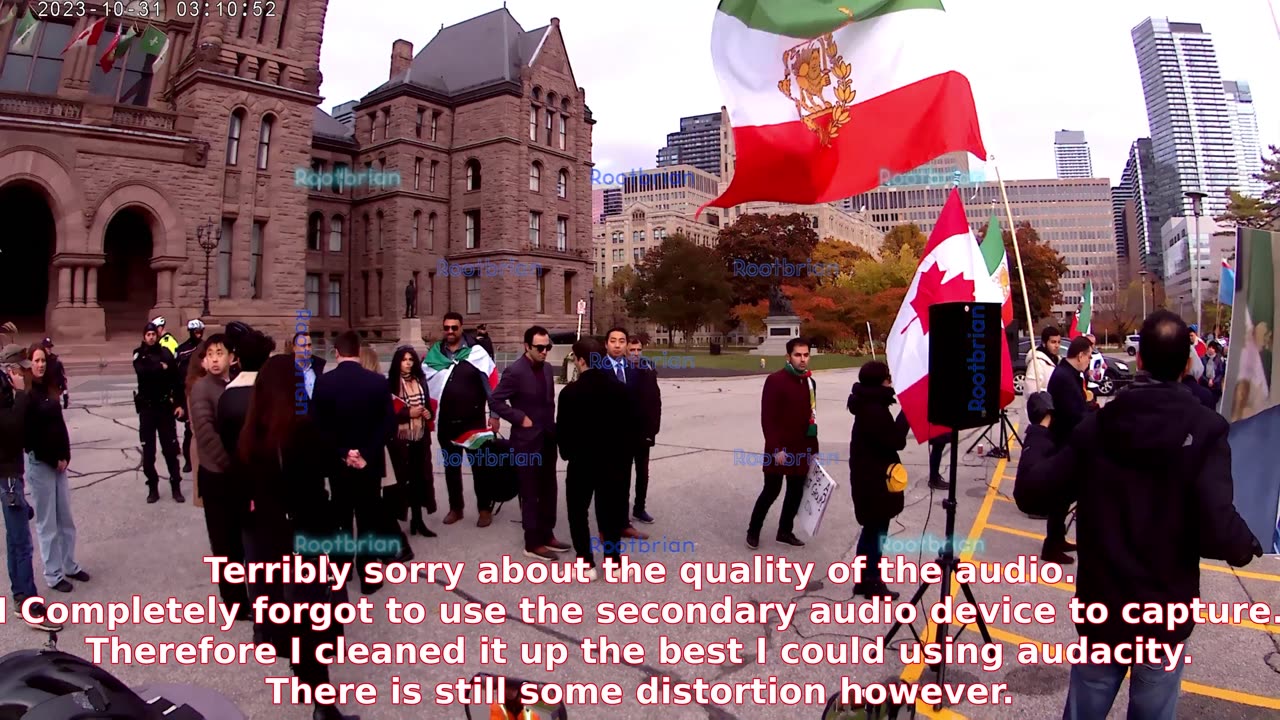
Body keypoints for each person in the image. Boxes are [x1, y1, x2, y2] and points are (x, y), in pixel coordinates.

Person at [1015, 310, 1263, 720]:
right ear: (1187, 364)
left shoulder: (1098, 426)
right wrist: (1246, 543)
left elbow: (1033, 492)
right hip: (1164, 613)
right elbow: (1218, 527)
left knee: (1085, 709)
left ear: (1140, 361)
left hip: (1104, 610)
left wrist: (1040, 430)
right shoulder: (1206, 430)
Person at [237, 354, 361, 720]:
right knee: (312, 623)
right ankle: (323, 707)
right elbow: (320, 493)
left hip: (270, 543)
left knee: (294, 622)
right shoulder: (302, 432)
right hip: (305, 540)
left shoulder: (251, 433)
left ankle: (313, 689)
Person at [311, 331, 396, 594]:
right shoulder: (377, 382)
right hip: (368, 463)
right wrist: (366, 454)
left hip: (339, 464)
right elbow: (388, 424)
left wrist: (343, 452)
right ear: (358, 351)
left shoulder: (325, 382)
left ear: (336, 352)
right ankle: (369, 576)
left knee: (341, 516)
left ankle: (341, 569)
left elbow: (318, 427)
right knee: (368, 516)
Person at [491, 326, 566, 561]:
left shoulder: (545, 369)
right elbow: (495, 400)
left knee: (549, 489)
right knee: (530, 492)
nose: (545, 351)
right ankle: (532, 542)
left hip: (546, 439)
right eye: (540, 347)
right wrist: (518, 417)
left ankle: (547, 533)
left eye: (548, 347)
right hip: (525, 443)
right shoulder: (515, 371)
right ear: (527, 346)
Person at [557, 337, 630, 579]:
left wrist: (566, 454)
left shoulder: (569, 393)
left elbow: (563, 431)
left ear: (580, 360)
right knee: (609, 512)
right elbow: (628, 428)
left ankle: (586, 563)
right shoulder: (619, 389)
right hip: (612, 462)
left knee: (578, 513)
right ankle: (614, 563)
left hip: (581, 462)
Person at [0, 344, 62, 630]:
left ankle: (19, 595)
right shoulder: (6, 393)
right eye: (23, 367)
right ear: (12, 370)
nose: (28, 371)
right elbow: (11, 429)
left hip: (12, 472)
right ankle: (29, 604)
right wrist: (22, 395)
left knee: (16, 541)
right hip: (8, 475)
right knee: (22, 542)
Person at [190, 333, 250, 616]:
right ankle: (235, 603)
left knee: (240, 538)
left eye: (220, 353)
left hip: (237, 473)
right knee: (224, 541)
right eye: (210, 354)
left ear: (231, 357)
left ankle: (245, 592)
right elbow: (206, 435)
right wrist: (231, 465)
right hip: (217, 475)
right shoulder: (202, 389)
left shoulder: (235, 384)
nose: (215, 358)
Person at [423, 312, 501, 527]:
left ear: (461, 327)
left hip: (473, 421)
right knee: (451, 467)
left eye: (454, 328)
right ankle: (456, 508)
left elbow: (491, 384)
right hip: (446, 422)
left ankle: (484, 509)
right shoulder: (435, 354)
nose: (450, 332)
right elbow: (424, 384)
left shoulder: (477, 353)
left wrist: (494, 415)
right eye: (446, 328)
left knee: (480, 467)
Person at [23, 343, 87, 593]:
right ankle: (53, 573)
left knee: (65, 519)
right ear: (29, 363)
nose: (40, 364)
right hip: (41, 465)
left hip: (59, 463)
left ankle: (70, 564)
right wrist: (54, 459)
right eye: (36, 360)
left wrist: (66, 456)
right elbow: (30, 437)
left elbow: (59, 426)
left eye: (42, 360)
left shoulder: (50, 389)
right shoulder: (26, 395)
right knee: (47, 522)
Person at [847, 361, 910, 600]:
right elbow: (896, 441)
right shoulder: (874, 410)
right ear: (878, 382)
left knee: (871, 529)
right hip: (874, 480)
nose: (890, 381)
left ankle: (863, 580)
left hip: (868, 476)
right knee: (877, 530)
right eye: (887, 378)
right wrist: (907, 414)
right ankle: (872, 581)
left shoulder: (868, 404)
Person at [748, 337, 817, 550]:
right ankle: (753, 530)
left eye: (806, 355)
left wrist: (813, 450)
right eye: (798, 355)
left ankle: (785, 531)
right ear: (788, 357)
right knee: (771, 490)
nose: (802, 359)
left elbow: (812, 416)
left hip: (802, 447)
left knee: (795, 492)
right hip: (779, 448)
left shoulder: (809, 381)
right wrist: (776, 448)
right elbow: (768, 418)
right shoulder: (775, 380)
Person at [1042, 335, 1093, 564]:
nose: (1089, 361)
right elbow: (1075, 414)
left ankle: (1058, 538)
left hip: (1068, 443)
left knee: (1064, 498)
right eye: (1089, 356)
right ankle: (1051, 546)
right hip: (1063, 443)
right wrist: (1093, 415)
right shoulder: (1064, 377)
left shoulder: (1070, 374)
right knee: (1060, 498)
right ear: (1080, 355)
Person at [598, 328, 648, 540]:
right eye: (613, 341)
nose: (617, 345)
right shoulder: (598, 370)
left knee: (623, 483)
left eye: (621, 341)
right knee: (604, 486)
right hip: (605, 439)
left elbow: (639, 403)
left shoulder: (634, 370)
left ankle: (623, 523)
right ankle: (605, 528)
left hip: (628, 439)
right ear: (606, 344)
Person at [133, 322, 185, 503]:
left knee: (170, 450)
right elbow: (142, 371)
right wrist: (160, 368)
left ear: (157, 335)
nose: (151, 337)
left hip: (164, 409)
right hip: (147, 410)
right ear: (144, 336)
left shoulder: (166, 353)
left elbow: (176, 380)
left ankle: (176, 486)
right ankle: (152, 487)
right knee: (149, 453)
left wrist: (179, 403)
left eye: (153, 334)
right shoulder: (138, 354)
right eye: (147, 334)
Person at [387, 346, 436, 538]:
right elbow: (387, 412)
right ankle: (395, 524)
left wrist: (427, 413)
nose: (408, 363)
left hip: (420, 437)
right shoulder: (390, 383)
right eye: (404, 359)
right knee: (400, 482)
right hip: (400, 441)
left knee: (419, 479)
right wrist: (408, 413)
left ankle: (418, 520)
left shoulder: (420, 380)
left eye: (411, 359)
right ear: (397, 362)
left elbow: (427, 406)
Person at [626, 337, 662, 524]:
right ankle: (622, 512)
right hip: (625, 432)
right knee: (623, 473)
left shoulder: (648, 368)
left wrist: (653, 428)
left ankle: (639, 508)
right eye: (632, 350)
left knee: (643, 472)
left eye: (638, 349)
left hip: (643, 432)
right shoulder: (619, 370)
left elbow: (655, 400)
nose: (636, 353)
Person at [175, 319, 205, 472]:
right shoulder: (182, 350)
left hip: (204, 392)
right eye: (195, 331)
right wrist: (177, 402)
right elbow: (176, 377)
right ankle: (189, 460)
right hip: (187, 392)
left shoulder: (208, 348)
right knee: (189, 430)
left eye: (200, 331)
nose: (198, 334)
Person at [1024, 326, 1062, 398]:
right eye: (1053, 342)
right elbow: (1031, 390)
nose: (1057, 346)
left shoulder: (1057, 360)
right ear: (1044, 343)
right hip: (1041, 407)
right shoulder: (1036, 362)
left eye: (1059, 342)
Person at [294, 332, 326, 401]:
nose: (307, 349)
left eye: (309, 345)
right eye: (303, 346)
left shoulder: (319, 367)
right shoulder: (287, 370)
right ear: (294, 348)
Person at [39, 338, 68, 410]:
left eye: (50, 347)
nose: (49, 349)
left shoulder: (56, 361)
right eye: (47, 347)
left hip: (54, 392)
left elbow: (62, 378)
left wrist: (65, 394)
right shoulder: (39, 361)